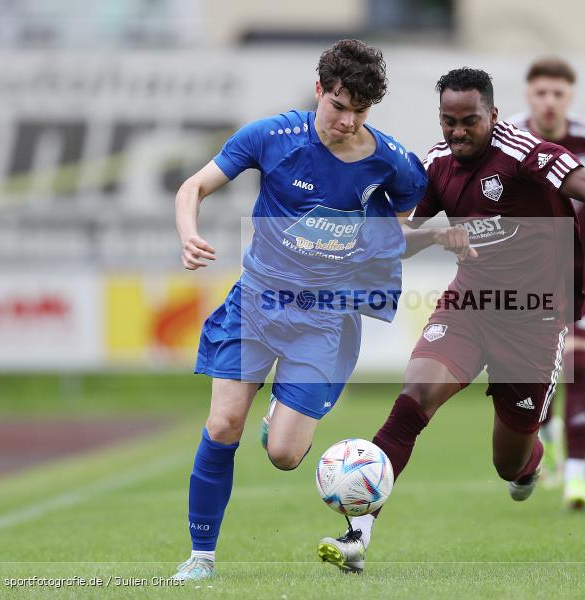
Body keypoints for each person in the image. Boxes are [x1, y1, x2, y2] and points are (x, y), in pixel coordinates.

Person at [317, 67, 585, 572]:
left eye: (468, 121)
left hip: (536, 323)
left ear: (492, 115)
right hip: (469, 307)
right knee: (412, 401)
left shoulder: (525, 153)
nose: (457, 132)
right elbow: (394, 239)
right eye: (448, 121)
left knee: (508, 462)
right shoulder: (434, 165)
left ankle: (530, 463)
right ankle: (357, 537)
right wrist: (432, 236)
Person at [171, 39, 427, 581]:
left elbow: (402, 227)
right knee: (222, 424)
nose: (347, 121)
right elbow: (194, 186)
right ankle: (201, 558)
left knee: (286, 455)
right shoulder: (270, 137)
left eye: (360, 112)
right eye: (338, 106)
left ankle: (279, 422)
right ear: (319, 90)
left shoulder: (393, 162)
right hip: (256, 304)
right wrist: (189, 235)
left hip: (325, 318)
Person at [508, 57, 585, 507]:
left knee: (578, 364)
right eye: (541, 92)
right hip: (523, 275)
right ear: (528, 94)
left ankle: (578, 477)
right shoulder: (511, 139)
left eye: (558, 93)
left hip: (578, 271)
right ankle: (549, 434)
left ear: (569, 97)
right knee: (534, 373)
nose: (549, 101)